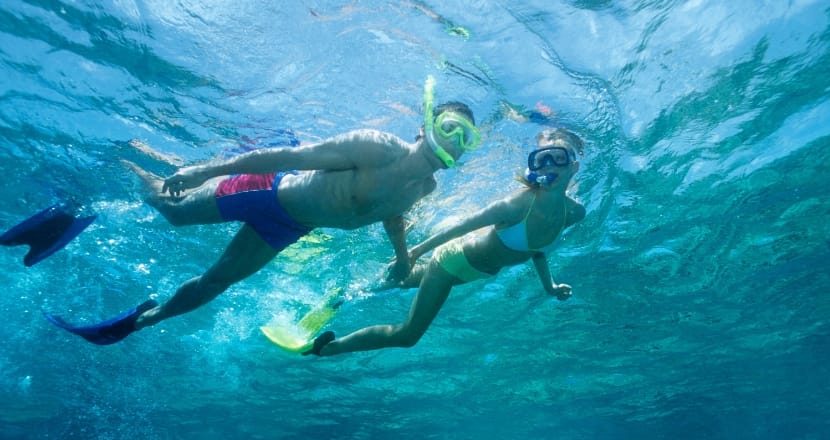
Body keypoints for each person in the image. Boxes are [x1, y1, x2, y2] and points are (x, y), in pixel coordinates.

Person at [46, 78, 481, 345]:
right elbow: (287, 156)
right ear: (425, 125)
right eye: (449, 130)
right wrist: (206, 170)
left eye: (466, 140)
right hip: (267, 191)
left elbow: (392, 217)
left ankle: (144, 320)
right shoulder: (376, 147)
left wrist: (404, 258)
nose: (454, 144)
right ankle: (125, 160)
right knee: (170, 210)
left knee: (216, 283)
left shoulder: (424, 187)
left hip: (289, 226)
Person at [306, 127, 586, 356]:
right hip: (451, 262)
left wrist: (549, 286)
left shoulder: (574, 213)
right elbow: (463, 227)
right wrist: (413, 252)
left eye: (557, 158)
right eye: (541, 159)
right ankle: (328, 349)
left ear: (573, 166)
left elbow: (536, 250)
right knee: (408, 336)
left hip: (473, 272)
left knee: (396, 282)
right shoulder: (516, 205)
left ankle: (344, 296)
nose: (548, 165)